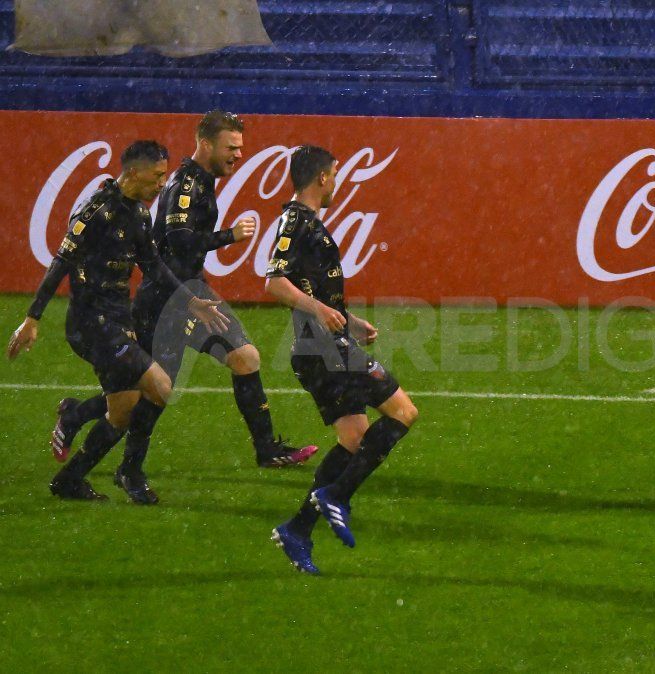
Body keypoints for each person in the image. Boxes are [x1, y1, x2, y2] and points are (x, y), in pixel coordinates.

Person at [50, 111, 317, 470]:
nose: (238, 154)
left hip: (187, 292)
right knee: (153, 390)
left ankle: (266, 449)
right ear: (205, 144)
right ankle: (110, 453)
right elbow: (179, 242)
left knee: (242, 358)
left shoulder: (201, 182)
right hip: (166, 300)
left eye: (240, 147)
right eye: (231, 147)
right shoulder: (186, 185)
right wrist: (230, 236)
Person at [7, 141, 228, 503]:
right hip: (90, 324)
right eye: (157, 176)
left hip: (118, 320)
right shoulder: (95, 211)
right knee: (159, 386)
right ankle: (130, 472)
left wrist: (192, 302)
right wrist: (33, 317)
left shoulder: (140, 215)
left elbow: (154, 267)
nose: (162, 184)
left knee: (122, 410)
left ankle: (70, 474)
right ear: (134, 172)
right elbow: (60, 262)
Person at [265, 145, 418, 574]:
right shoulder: (296, 221)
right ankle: (338, 496)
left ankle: (298, 528)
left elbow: (311, 293)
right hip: (324, 351)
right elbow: (275, 283)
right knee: (403, 413)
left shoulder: (305, 222)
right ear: (322, 178)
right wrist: (322, 314)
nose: (337, 181)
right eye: (335, 174)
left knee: (354, 440)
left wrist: (348, 322)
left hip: (320, 347)